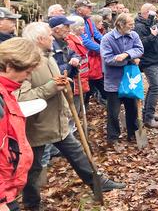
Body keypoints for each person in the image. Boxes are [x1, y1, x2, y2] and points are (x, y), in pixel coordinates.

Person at [16, 23, 124, 211]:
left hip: (58, 121)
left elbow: (55, 85)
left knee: (78, 154)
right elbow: (21, 98)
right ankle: (32, 204)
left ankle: (98, 182)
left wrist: (63, 92)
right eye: (49, 35)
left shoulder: (48, 57)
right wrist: (52, 87)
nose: (52, 38)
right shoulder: (26, 63)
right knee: (33, 169)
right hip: (37, 126)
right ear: (40, 39)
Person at [0, 38, 42, 211]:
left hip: (9, 189)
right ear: (9, 66)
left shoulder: (7, 93)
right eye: (26, 71)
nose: (27, 78)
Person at [100, 13, 144, 144]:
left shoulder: (134, 35)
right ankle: (113, 137)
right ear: (120, 24)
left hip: (130, 80)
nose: (133, 26)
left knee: (132, 109)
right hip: (114, 81)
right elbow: (108, 59)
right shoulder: (107, 39)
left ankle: (133, 134)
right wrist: (129, 60)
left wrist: (126, 54)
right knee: (113, 112)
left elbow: (140, 49)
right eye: (130, 24)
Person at [134, 3, 158, 129]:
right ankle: (148, 118)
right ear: (147, 12)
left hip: (157, 60)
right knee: (156, 88)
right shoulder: (139, 27)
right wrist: (152, 36)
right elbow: (140, 44)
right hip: (149, 62)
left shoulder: (151, 23)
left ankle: (148, 113)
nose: (155, 14)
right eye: (153, 12)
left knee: (154, 88)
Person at [73, 0, 106, 107]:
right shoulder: (75, 21)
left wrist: (106, 43)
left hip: (91, 56)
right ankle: (82, 107)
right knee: (85, 82)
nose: (91, 9)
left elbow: (96, 34)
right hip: (80, 55)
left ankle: (86, 104)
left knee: (93, 80)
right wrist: (102, 49)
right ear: (79, 9)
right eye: (88, 7)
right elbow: (85, 41)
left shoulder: (88, 19)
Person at [65, 16, 90, 112]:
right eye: (82, 25)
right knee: (75, 107)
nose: (84, 28)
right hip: (76, 80)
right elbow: (73, 59)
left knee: (80, 104)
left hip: (83, 78)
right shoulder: (71, 42)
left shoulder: (78, 39)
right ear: (77, 27)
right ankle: (74, 126)